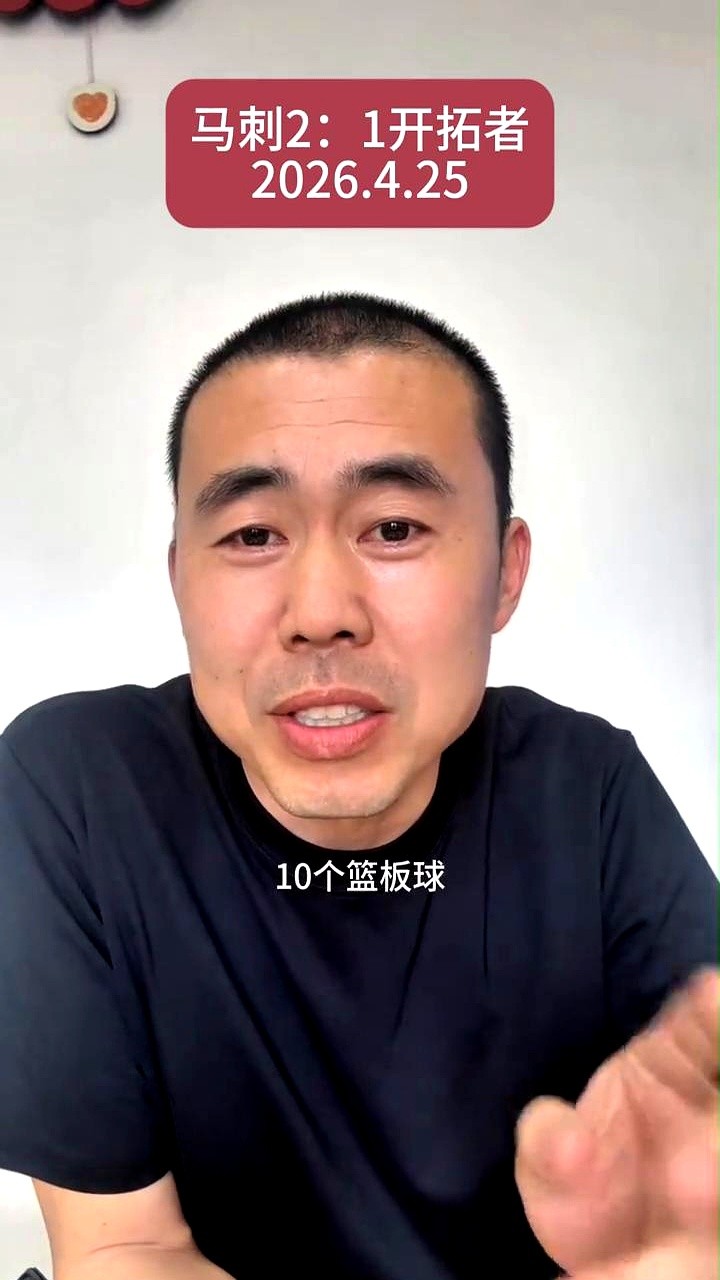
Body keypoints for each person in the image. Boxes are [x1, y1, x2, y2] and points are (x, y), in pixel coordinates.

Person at [0, 293, 717, 1280]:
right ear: (180, 580)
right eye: (253, 535)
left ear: (505, 573)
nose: (320, 612)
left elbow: (687, 1176)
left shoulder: (587, 790)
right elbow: (126, 1246)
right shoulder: (78, 787)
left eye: (394, 526)